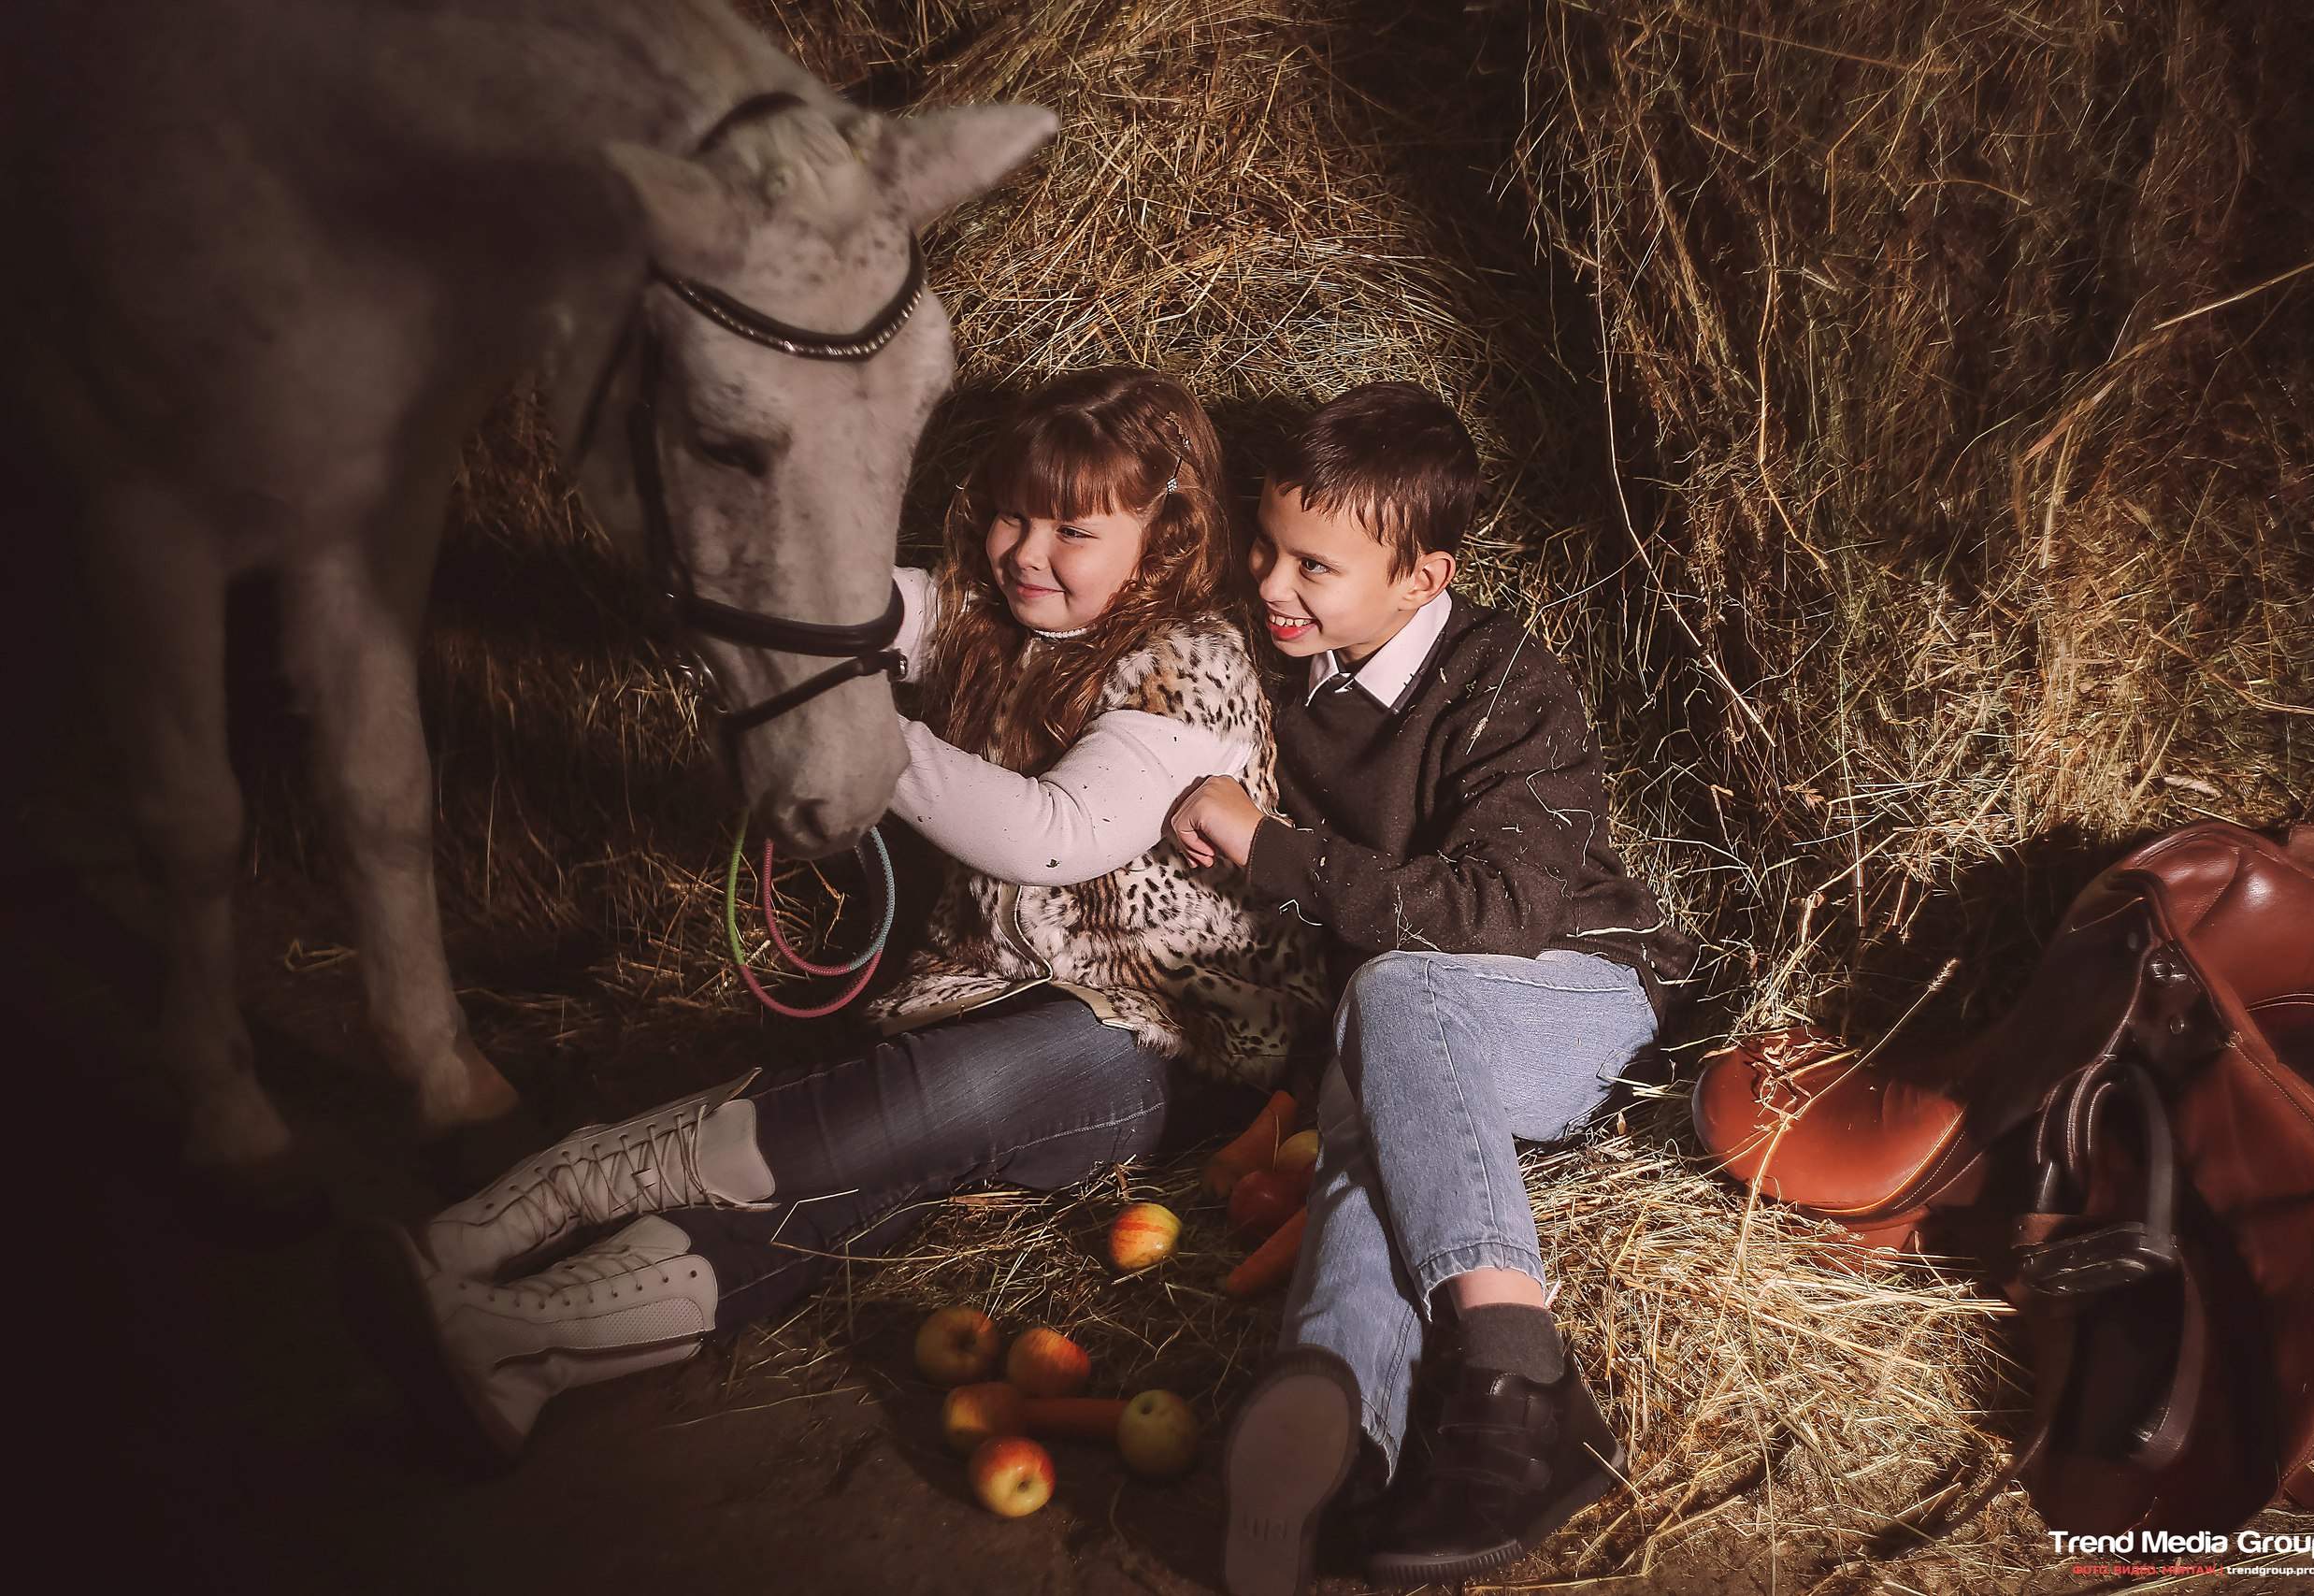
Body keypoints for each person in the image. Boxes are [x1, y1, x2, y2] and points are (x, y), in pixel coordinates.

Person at [354, 367, 1323, 1460]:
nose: (1024, 551)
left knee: (936, 1098)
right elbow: (827, 612)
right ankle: (519, 1346)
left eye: (1072, 530)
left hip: (1169, 1037)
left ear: (1164, 540)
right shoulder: (985, 612)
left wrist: (851, 726)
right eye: (1011, 513)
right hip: (990, 986)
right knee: (876, 1170)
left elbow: (1051, 833)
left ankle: (549, 1199)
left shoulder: (1189, 667)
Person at [1171, 382, 1699, 1594]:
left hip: (1582, 997)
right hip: (1407, 1029)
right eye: (1265, 547)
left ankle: (1524, 1373)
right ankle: (1341, 1418)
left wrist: (1274, 850)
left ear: (1422, 578)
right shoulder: (1282, 671)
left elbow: (1501, 913)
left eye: (1314, 566)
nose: (1271, 583)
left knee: (1398, 996)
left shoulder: (1503, 679)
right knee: (1371, 1112)